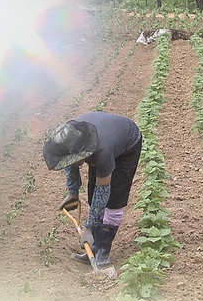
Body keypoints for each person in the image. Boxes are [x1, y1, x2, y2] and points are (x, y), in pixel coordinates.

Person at [43, 112, 142, 278]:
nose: (70, 163)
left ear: (82, 153)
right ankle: (94, 248)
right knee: (92, 194)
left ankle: (102, 254)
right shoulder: (70, 136)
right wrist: (73, 193)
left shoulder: (102, 151)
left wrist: (88, 228)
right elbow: (70, 164)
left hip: (128, 145)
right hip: (103, 139)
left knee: (113, 201)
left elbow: (103, 191)